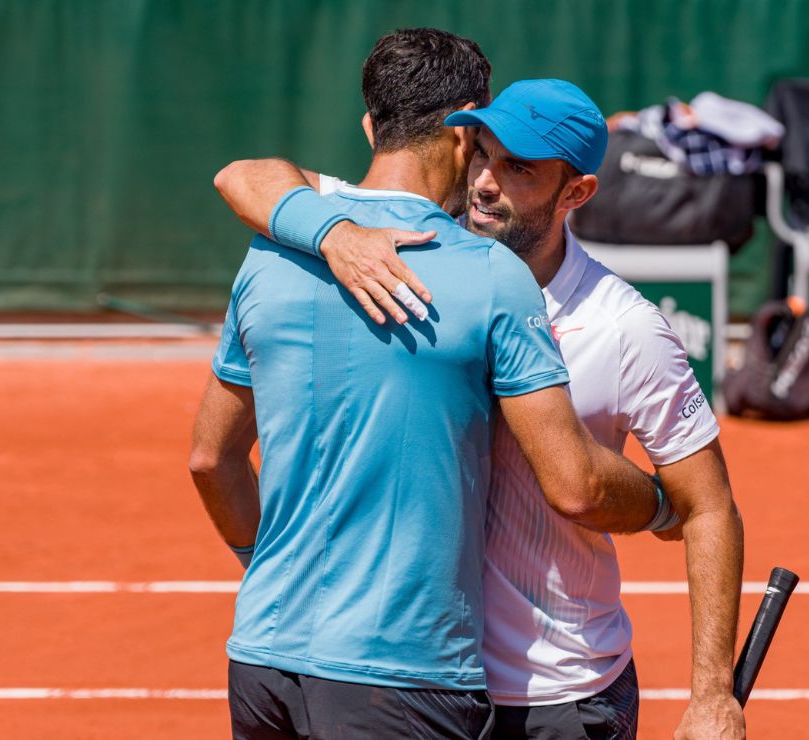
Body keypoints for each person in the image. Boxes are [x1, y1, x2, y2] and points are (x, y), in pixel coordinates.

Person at [213, 78, 746, 739]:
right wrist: (334, 234)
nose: (486, 182)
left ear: (576, 193)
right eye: (483, 154)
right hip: (419, 683)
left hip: (557, 692)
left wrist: (712, 695)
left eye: (519, 168)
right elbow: (246, 178)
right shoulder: (401, 251)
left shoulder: (624, 327)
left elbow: (711, 507)